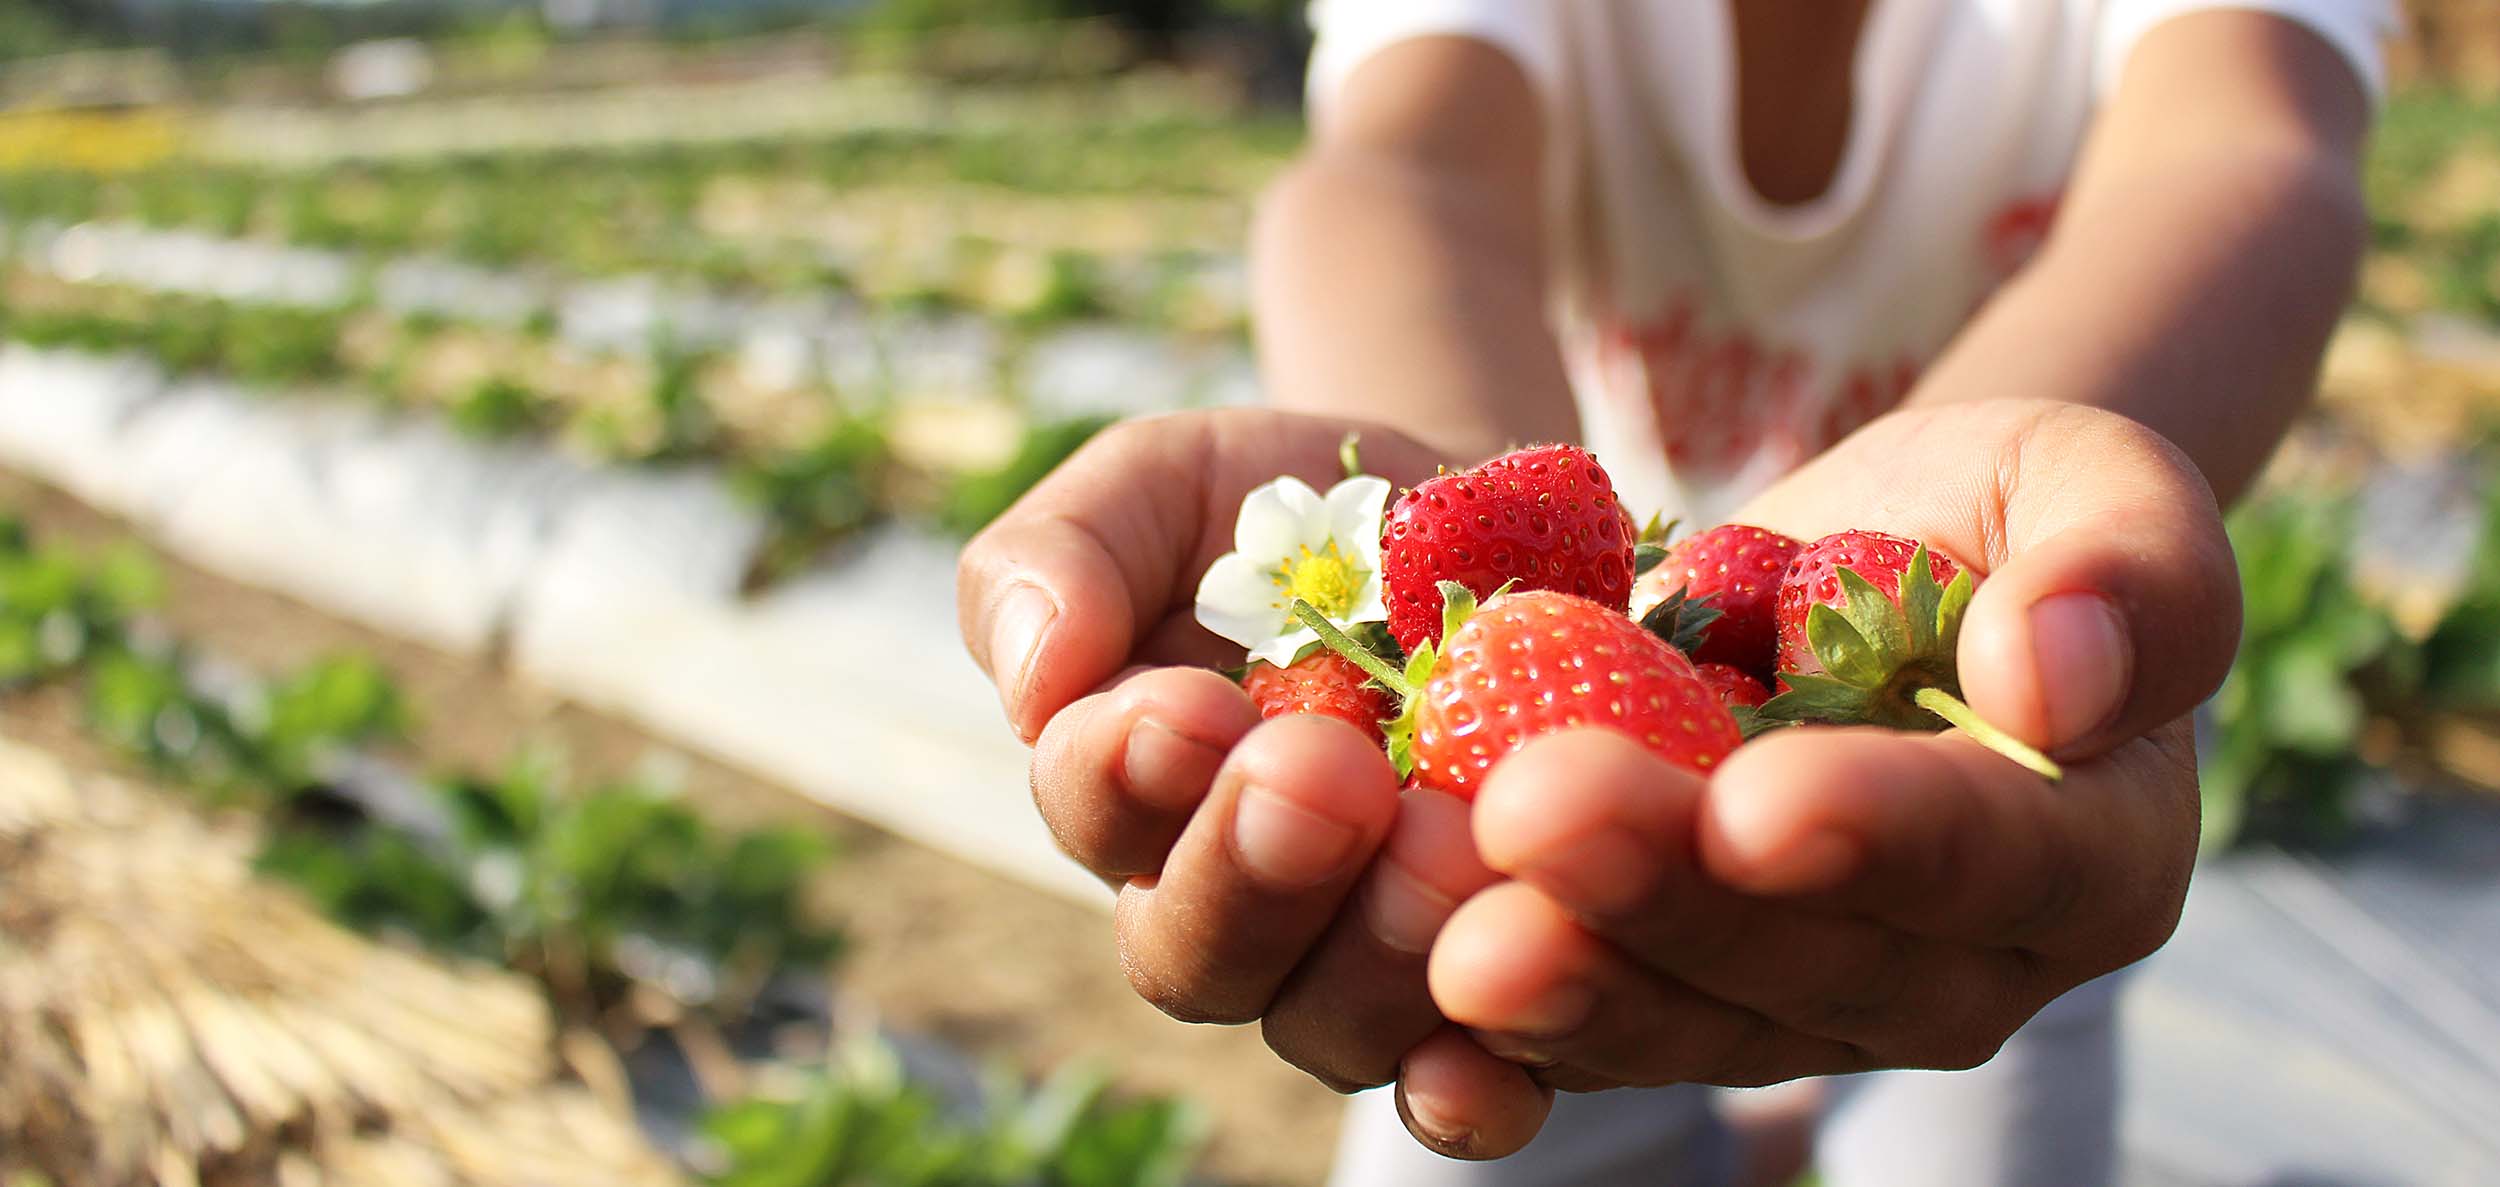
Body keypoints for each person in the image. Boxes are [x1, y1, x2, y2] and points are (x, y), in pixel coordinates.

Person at [958, 1, 2389, 1183]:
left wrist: (1991, 515)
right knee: (1500, 1054)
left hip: (1988, 657)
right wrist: (1459, 508)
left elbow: (2242, 150)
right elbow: (1403, 167)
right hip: (1632, 625)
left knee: (1979, 1120)